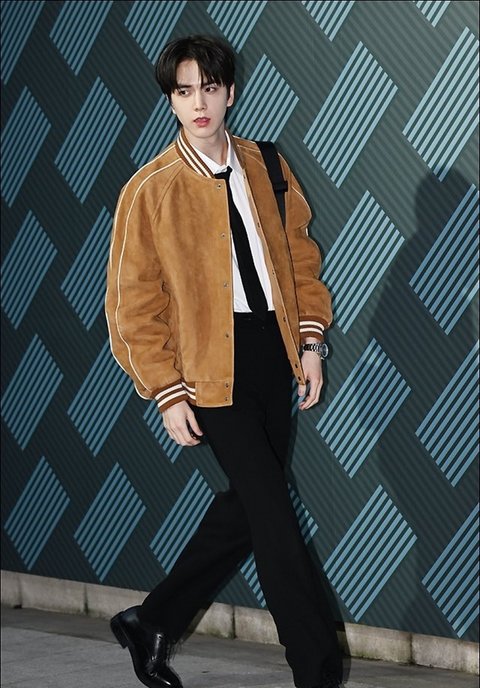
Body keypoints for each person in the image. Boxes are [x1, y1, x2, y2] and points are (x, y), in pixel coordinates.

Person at [105, 34, 343, 688]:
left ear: (230, 92)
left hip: (273, 354)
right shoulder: (149, 190)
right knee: (274, 521)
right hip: (210, 370)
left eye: (209, 88)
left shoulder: (268, 165)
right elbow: (132, 305)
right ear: (171, 101)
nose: (199, 103)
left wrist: (310, 342)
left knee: (250, 508)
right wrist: (167, 390)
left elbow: (300, 258)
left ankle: (152, 621)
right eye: (184, 91)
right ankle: (318, 673)